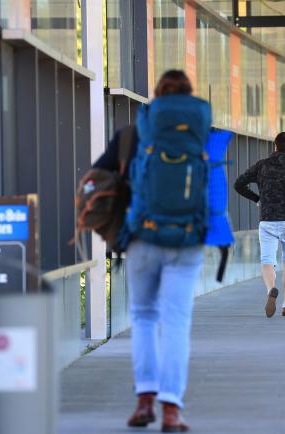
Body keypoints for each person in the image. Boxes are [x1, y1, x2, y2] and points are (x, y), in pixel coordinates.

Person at [93, 70, 208, 432]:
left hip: (143, 236)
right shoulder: (201, 131)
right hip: (188, 238)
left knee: (144, 317)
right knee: (177, 322)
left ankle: (144, 401)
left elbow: (97, 179)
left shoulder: (133, 134)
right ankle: (171, 409)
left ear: (155, 98)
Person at [234, 132, 285, 318]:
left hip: (268, 221)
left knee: (267, 261)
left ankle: (271, 289)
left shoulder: (262, 165)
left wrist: (257, 198)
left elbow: (239, 184)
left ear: (274, 146)